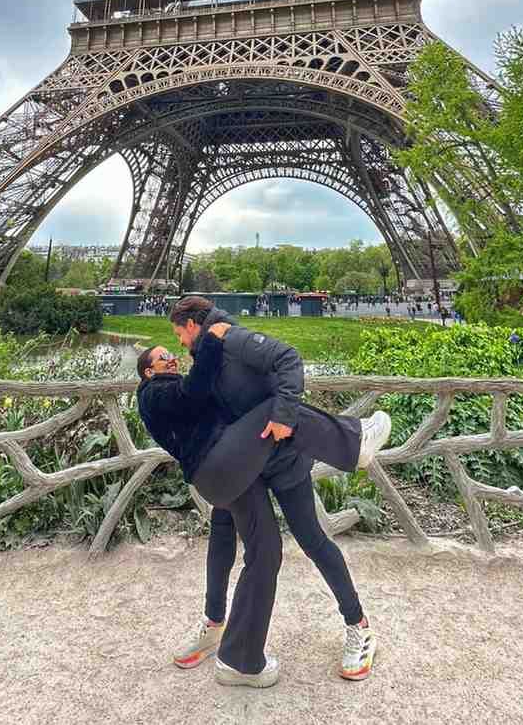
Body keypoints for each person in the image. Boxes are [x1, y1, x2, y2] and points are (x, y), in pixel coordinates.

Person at [147, 294, 391, 687]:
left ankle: (358, 625)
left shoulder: (232, 338)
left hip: (282, 461)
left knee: (313, 541)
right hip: (245, 467)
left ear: (191, 325)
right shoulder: (204, 356)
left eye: (178, 333)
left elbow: (289, 362)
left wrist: (281, 414)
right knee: (222, 539)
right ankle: (215, 624)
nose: (177, 343)